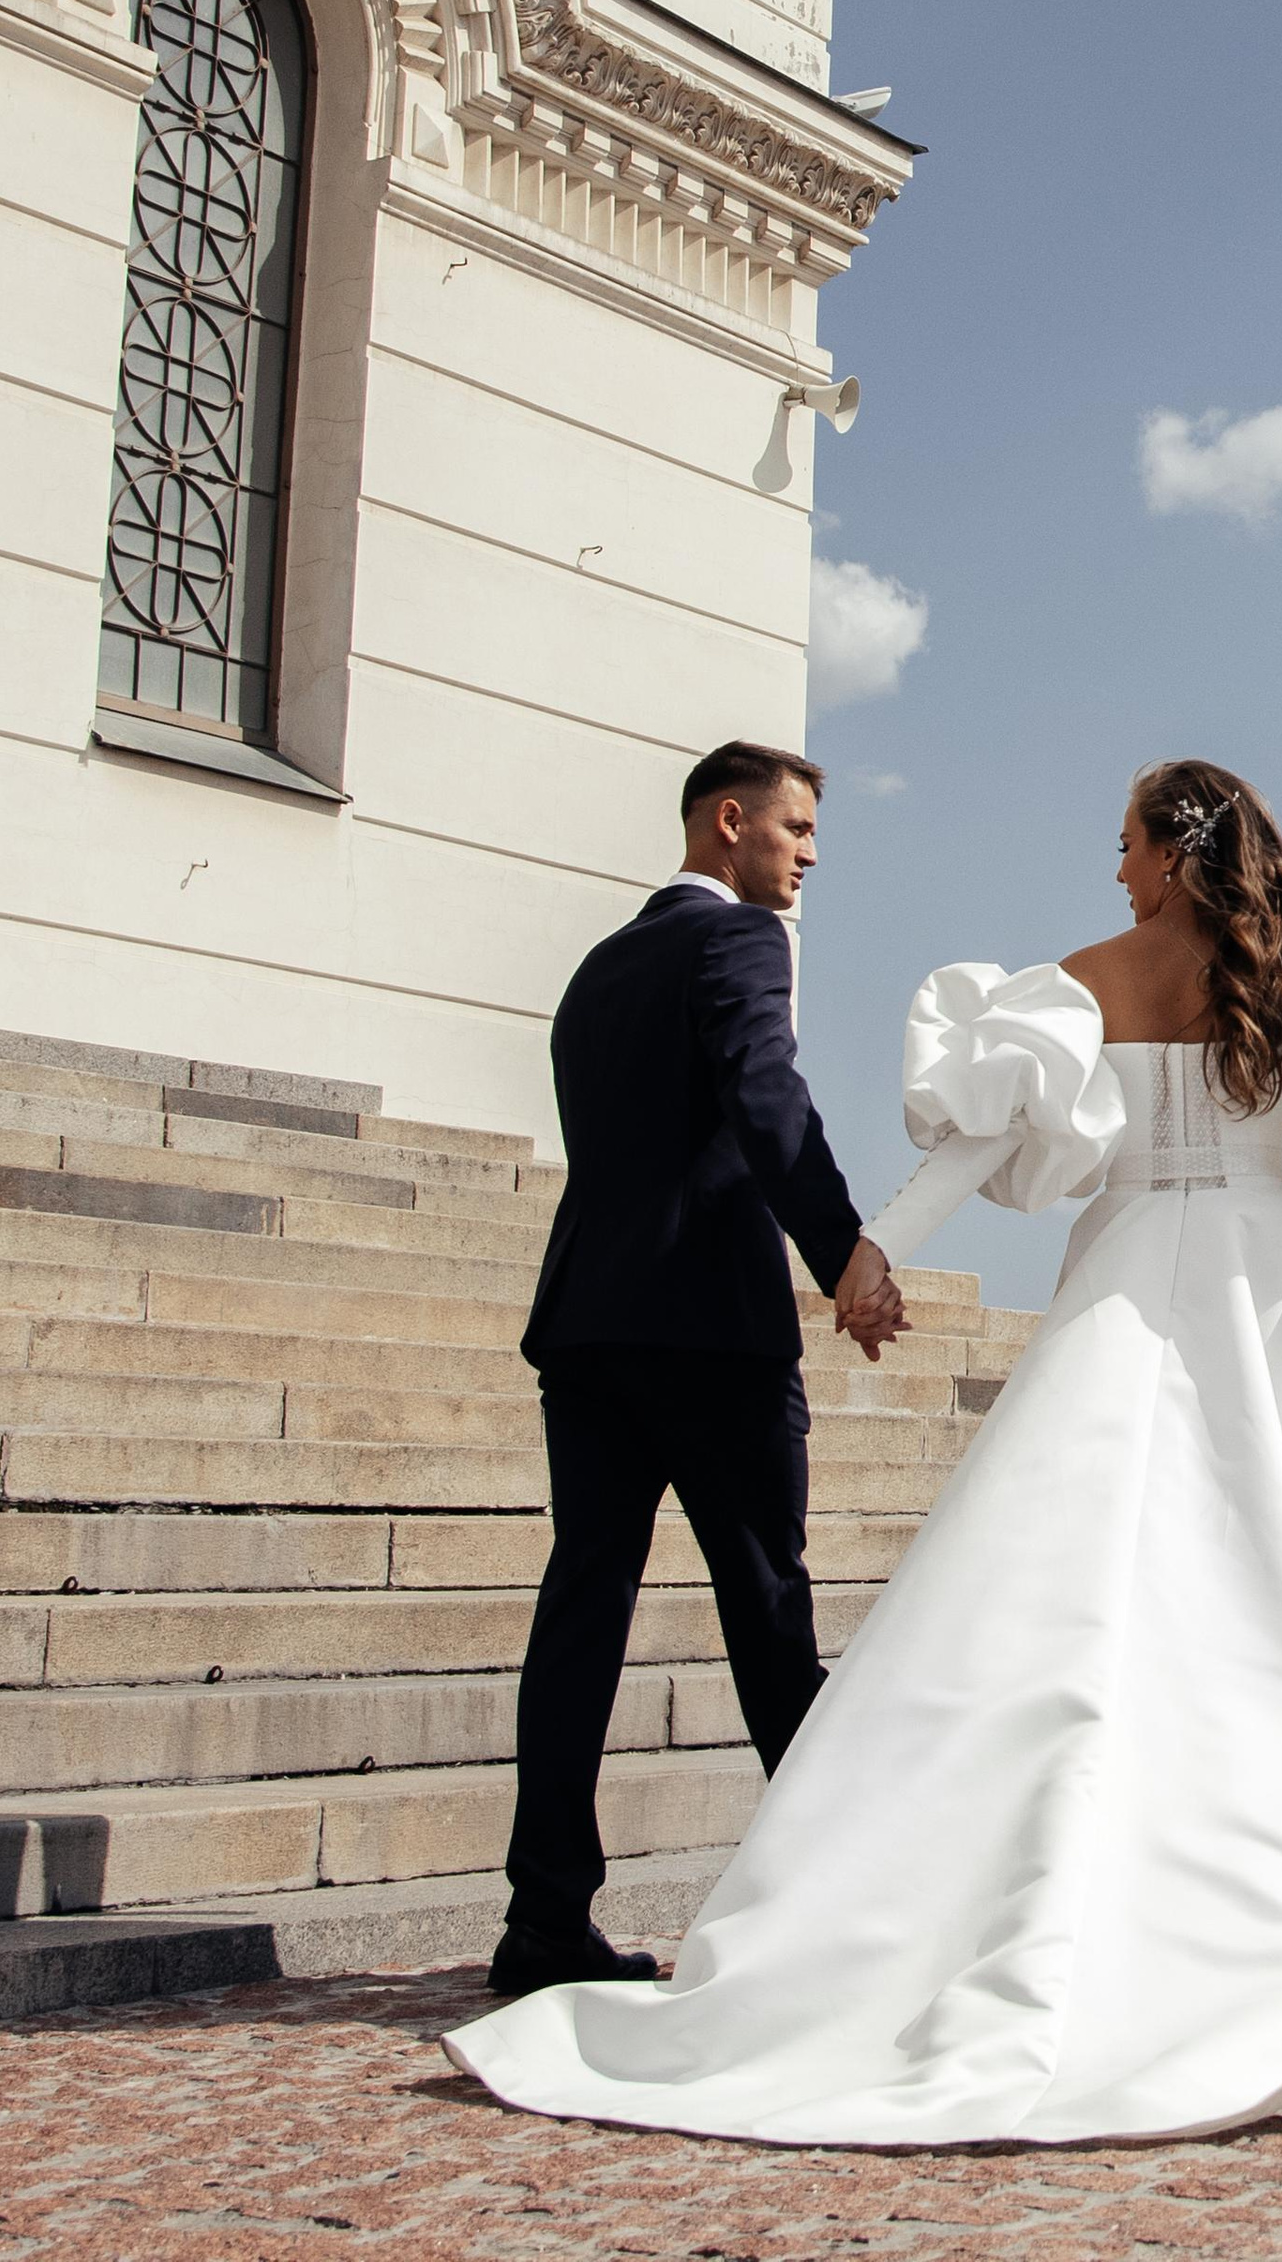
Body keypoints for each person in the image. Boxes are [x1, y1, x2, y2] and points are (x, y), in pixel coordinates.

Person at [447, 756, 1282, 2143]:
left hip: (1046, 1284)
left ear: (1172, 850)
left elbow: (974, 1148)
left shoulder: (1074, 982)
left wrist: (873, 1251)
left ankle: (668, 1905)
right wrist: (850, 1255)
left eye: (1126, 843)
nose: (1116, 867)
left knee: (1021, 1604)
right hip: (1272, 1292)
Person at [486, 741, 904, 2005]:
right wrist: (843, 1250)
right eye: (796, 828)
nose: (810, 854)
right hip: (711, 1330)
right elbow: (766, 1093)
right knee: (769, 1608)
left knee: (582, 1610)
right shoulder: (739, 941)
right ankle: (841, 1903)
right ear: (729, 822)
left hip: (588, 1322)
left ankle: (542, 1919)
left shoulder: (596, 969)